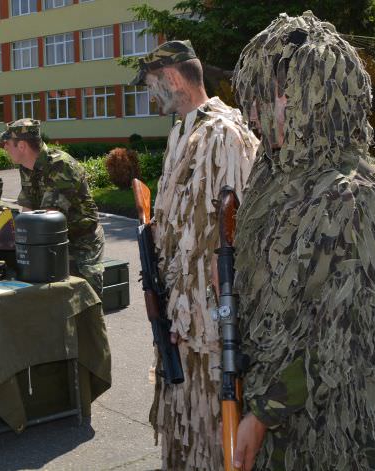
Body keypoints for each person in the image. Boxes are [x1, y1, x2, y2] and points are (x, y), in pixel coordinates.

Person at [229, 13, 375, 471]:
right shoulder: (275, 176)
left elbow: (354, 340)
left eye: (275, 96)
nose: (257, 113)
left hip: (327, 438)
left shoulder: (365, 201)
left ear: (316, 99)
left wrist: (264, 414)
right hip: (265, 413)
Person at [129, 40, 260, 470]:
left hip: (207, 328)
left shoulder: (223, 133)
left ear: (171, 77)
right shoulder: (184, 130)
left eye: (150, 84)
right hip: (180, 322)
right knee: (185, 434)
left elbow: (235, 236)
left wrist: (201, 314)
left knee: (210, 437)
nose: (149, 96)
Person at [0, 118, 106, 295]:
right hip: (51, 240)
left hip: (81, 244)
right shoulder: (26, 167)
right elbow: (28, 210)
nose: (4, 147)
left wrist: (21, 240)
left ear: (22, 146)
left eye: (7, 143)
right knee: (55, 302)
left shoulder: (60, 165)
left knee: (84, 301)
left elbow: (49, 218)